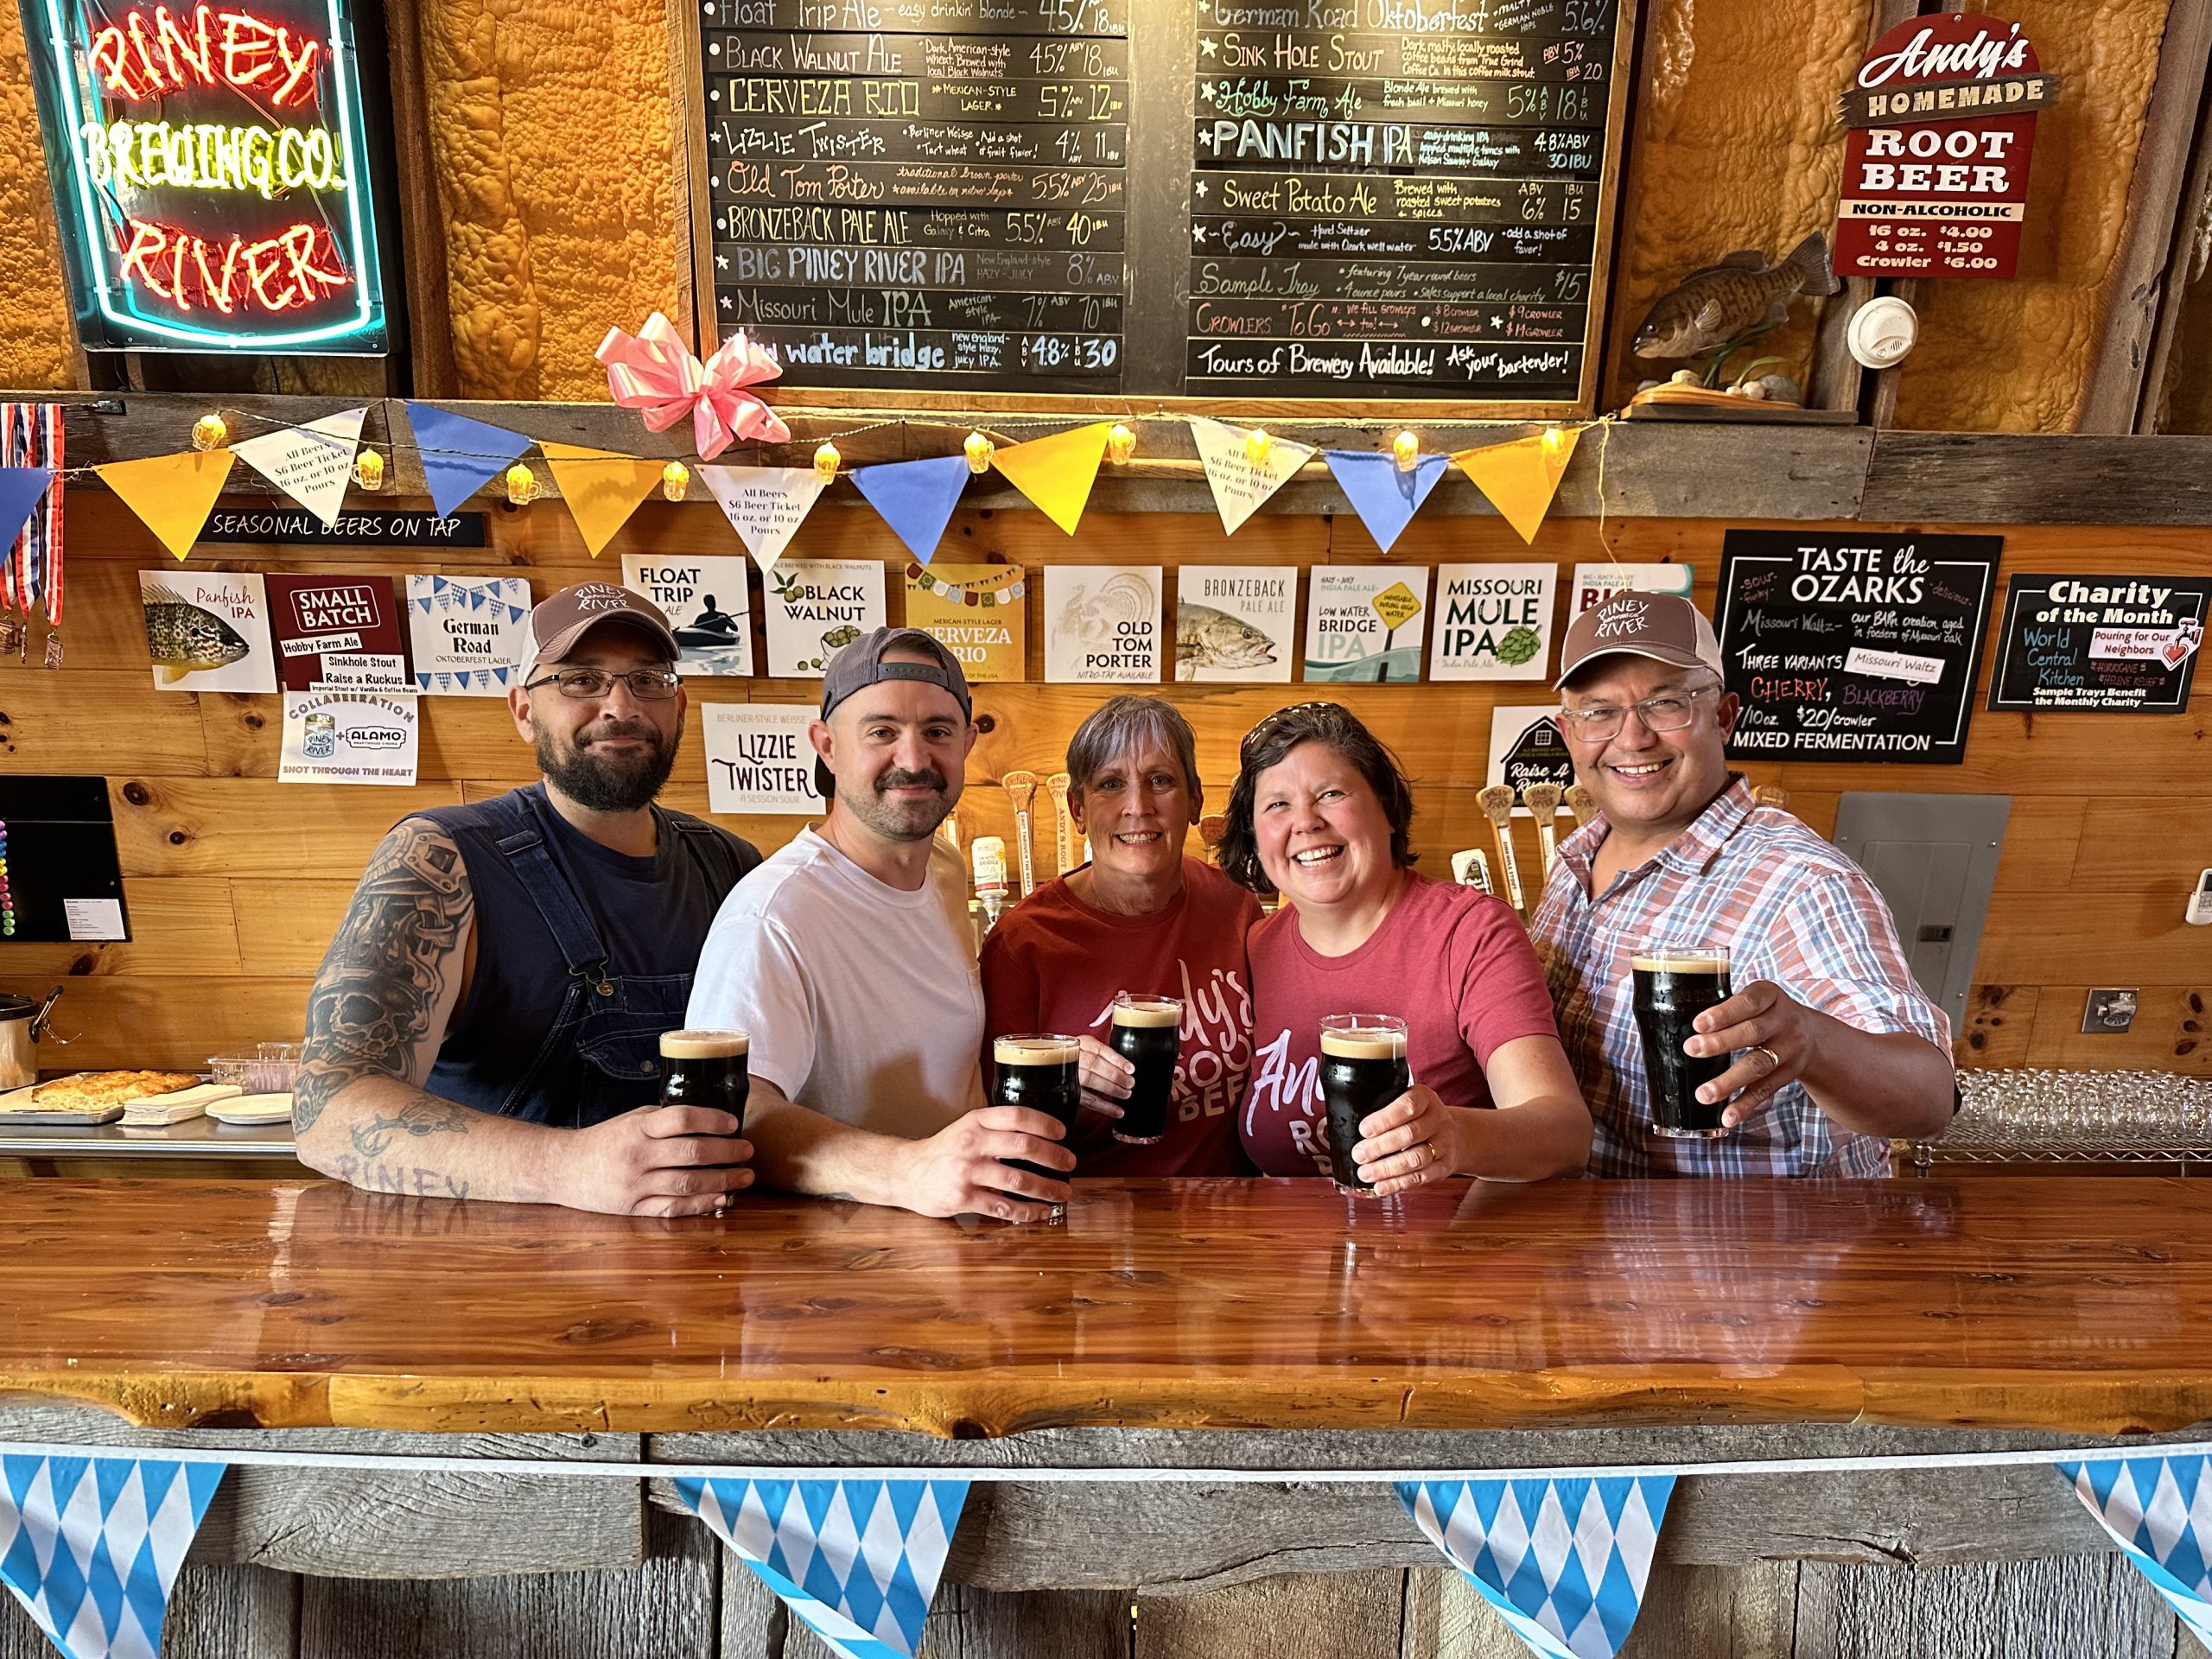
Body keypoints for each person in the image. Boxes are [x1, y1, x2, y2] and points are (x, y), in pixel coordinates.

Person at [293, 582, 762, 1214]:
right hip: (501, 1261)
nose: (620, 706)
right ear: (523, 711)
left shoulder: (732, 865)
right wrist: (566, 1167)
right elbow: (328, 1112)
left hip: (713, 1248)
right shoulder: (440, 859)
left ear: (678, 706)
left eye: (648, 680)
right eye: (580, 680)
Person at [1529, 591, 1957, 1176]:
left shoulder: (1800, 881)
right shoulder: (1575, 861)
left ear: (1724, 716)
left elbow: (1928, 1099)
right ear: (1567, 731)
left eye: (1665, 704)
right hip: (1591, 1225)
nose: (1632, 738)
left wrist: (1812, 1040)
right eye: (1599, 712)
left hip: (1744, 1233)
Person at [686, 628, 1076, 1223]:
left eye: (937, 732)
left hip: (965, 1244)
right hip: (837, 1259)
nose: (914, 760)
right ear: (827, 747)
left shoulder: (944, 869)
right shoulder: (772, 914)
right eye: (882, 732)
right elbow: (736, 1114)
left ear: (968, 743)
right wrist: (909, 1169)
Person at [1217, 702, 1591, 1193]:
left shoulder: (1469, 932)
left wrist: (1457, 1137)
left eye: (1331, 794)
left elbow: (1565, 1135)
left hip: (1447, 1238)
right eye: (1277, 805)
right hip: (1286, 1240)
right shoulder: (1256, 947)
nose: (1305, 822)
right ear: (1254, 837)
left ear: (1388, 810)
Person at [980, 696, 1262, 1175]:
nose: (1138, 807)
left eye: (1161, 780)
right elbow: (996, 1125)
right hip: (1085, 1207)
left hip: (1226, 1209)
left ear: (1195, 800)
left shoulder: (1236, 906)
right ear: (1078, 809)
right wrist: (1055, 1082)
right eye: (1111, 784)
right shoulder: (1022, 942)